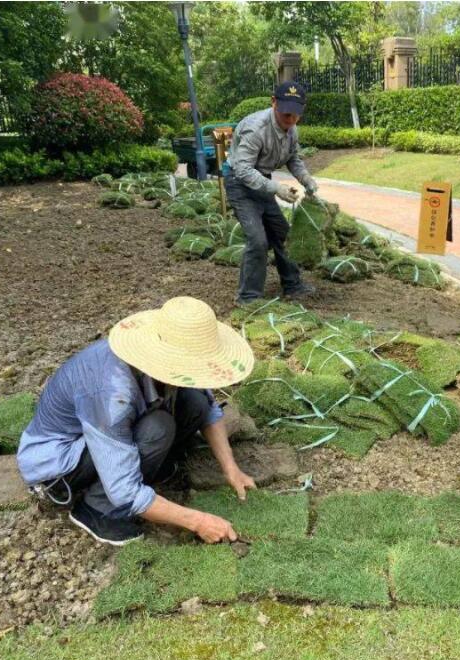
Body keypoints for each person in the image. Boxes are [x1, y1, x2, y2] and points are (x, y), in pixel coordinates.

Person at [16, 297, 257, 545]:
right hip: (61, 465)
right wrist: (198, 521)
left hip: (107, 431)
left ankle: (150, 465)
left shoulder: (162, 369)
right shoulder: (112, 393)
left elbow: (208, 410)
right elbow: (124, 490)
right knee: (159, 428)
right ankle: (97, 510)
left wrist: (232, 470)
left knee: (194, 401)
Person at [223, 80, 319, 305]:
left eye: (296, 115)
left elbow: (293, 158)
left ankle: (293, 285)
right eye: (286, 114)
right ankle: (248, 297)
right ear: (274, 102)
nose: (291, 120)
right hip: (239, 183)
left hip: (262, 181)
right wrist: (276, 188)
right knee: (258, 240)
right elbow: (243, 169)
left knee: (283, 234)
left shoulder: (292, 129)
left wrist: (307, 180)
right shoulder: (256, 129)